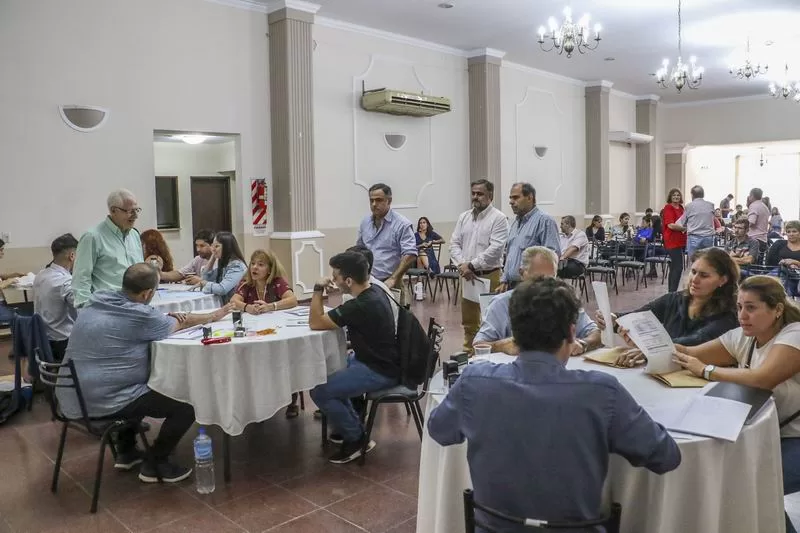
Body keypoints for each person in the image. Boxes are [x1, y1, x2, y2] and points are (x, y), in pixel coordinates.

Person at [429, 277, 681, 533]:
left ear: (515, 333)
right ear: (572, 333)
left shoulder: (474, 382)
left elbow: (439, 430)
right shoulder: (602, 392)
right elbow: (666, 456)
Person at [56, 264, 231, 483]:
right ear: (147, 294)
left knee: (139, 386)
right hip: (103, 401)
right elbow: (178, 322)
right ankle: (156, 462)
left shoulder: (96, 302)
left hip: (71, 396)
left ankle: (126, 451)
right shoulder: (139, 315)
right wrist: (213, 315)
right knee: (188, 402)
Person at [670, 276, 800, 533]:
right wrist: (647, 347)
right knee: (738, 488)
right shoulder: (744, 337)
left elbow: (763, 378)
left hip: (793, 438)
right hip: (766, 433)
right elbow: (689, 353)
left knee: (750, 489)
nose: (742, 315)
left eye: (751, 307)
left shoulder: (794, 334)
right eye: (739, 307)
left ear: (777, 309)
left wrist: (707, 371)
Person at [308, 251, 400, 464]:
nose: (333, 280)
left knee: (320, 391)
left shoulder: (360, 305)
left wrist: (318, 289)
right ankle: (354, 428)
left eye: (336, 276)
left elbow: (315, 322)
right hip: (379, 360)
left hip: (379, 369)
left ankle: (356, 439)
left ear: (349, 281)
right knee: (332, 372)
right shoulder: (374, 291)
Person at [596, 247, 740, 367]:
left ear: (723, 280)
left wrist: (650, 349)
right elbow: (637, 316)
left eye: (704, 275)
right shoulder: (674, 299)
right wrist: (612, 319)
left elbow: (698, 339)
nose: (695, 280)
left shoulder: (730, 314)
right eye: (693, 272)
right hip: (666, 370)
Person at [475, 246, 600, 356]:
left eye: (550, 279)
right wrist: (502, 346)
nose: (544, 287)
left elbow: (596, 333)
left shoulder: (562, 301)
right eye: (538, 279)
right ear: (522, 273)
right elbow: (478, 345)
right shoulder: (501, 304)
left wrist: (583, 344)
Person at [450, 179, 509, 352]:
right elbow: (454, 244)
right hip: (467, 276)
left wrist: (472, 265)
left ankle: (490, 354)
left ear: (490, 196)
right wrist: (463, 265)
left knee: (490, 319)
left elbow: (496, 248)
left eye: (480, 194)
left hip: (489, 275)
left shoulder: (498, 218)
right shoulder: (464, 217)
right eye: (473, 193)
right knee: (469, 321)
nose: (475, 197)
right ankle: (469, 352)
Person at [72, 189, 144, 307]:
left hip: (136, 305)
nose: (135, 216)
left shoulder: (134, 235)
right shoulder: (92, 237)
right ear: (113, 210)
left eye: (137, 210)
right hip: (107, 307)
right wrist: (85, 308)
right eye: (130, 211)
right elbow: (81, 278)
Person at [355, 183, 417, 297]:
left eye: (379, 200)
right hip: (367, 282)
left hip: (391, 282)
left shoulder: (402, 224)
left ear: (389, 201)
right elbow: (359, 250)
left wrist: (393, 279)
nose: (374, 204)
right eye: (371, 200)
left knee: (392, 309)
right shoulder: (365, 222)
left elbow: (410, 254)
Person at [498, 183, 560, 292]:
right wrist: (504, 279)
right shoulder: (515, 223)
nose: (511, 202)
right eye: (510, 198)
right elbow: (511, 254)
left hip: (532, 287)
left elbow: (551, 257)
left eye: (516, 197)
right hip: (511, 286)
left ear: (530, 198)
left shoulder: (544, 221)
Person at [33, 234, 79, 361]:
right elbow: (83, 307)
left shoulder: (40, 275)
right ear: (72, 256)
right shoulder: (65, 282)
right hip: (62, 344)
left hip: (42, 340)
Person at [187, 231, 246, 303]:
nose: (213, 249)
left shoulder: (236, 266)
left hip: (236, 306)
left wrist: (205, 283)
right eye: (212, 246)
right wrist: (213, 257)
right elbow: (205, 278)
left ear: (227, 247)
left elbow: (222, 289)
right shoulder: (224, 263)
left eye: (217, 246)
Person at [672, 185, 715, 259]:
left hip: (694, 238)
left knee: (694, 261)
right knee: (707, 261)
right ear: (703, 194)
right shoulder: (711, 205)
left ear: (692, 195)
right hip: (708, 237)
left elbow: (683, 222)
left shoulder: (689, 206)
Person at [766, 220, 800, 298]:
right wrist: (784, 263)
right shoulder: (779, 244)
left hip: (797, 277)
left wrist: (795, 262)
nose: (791, 234)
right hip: (780, 273)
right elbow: (770, 262)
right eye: (788, 232)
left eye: (794, 231)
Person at [661, 188, 686, 292]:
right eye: (674, 195)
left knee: (674, 267)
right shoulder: (668, 208)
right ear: (670, 197)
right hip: (672, 240)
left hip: (681, 240)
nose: (676, 197)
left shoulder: (681, 208)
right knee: (678, 267)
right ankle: (672, 292)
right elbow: (671, 225)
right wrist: (685, 228)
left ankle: (671, 292)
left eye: (678, 195)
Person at [0, 237, 24, 325]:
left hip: (2, 303)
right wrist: (9, 281)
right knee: (22, 315)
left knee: (22, 310)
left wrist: (14, 274)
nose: (3, 252)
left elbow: (1, 276)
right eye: (1, 250)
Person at [747, 187, 771, 254]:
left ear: (752, 195)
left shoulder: (753, 205)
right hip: (763, 239)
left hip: (754, 238)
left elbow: (751, 222)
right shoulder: (765, 207)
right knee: (759, 259)